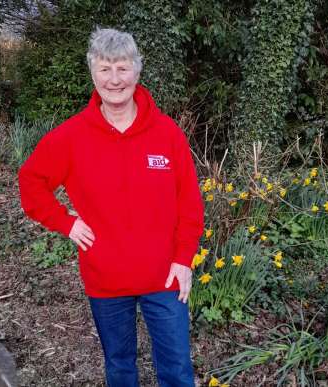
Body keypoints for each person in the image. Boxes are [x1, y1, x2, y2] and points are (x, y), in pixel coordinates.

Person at [18, 28, 204, 387]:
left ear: (137, 71)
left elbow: (190, 203)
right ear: (93, 73)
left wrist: (184, 259)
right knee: (120, 368)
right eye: (105, 69)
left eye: (122, 68)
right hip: (106, 279)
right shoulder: (72, 137)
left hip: (165, 276)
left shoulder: (167, 134)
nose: (114, 79)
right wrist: (66, 222)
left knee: (178, 370)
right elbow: (31, 181)